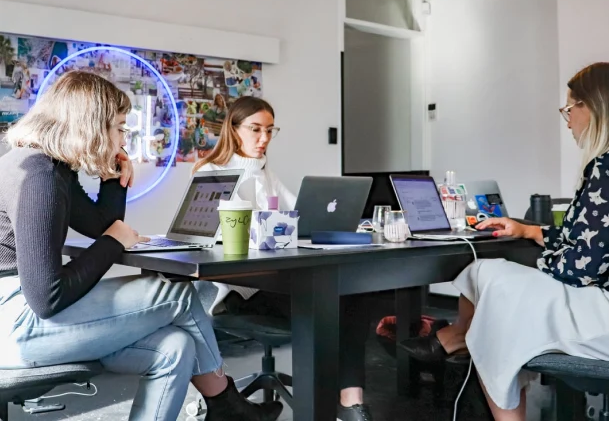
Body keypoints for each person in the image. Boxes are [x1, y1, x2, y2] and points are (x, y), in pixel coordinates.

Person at [0, 71, 283, 421]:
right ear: (92, 125)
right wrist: (111, 242)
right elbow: (46, 297)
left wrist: (113, 179)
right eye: (119, 127)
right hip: (15, 323)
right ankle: (228, 405)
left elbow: (101, 225)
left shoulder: (51, 167)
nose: (123, 137)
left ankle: (227, 409)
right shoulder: (38, 176)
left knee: (174, 347)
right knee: (178, 294)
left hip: (25, 314)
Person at [400, 62, 609, 420]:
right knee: (486, 274)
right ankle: (459, 338)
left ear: (591, 107)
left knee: (494, 285)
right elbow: (586, 237)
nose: (568, 119)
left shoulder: (605, 169)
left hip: (598, 309)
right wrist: (526, 230)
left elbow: (583, 267)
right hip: (594, 297)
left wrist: (535, 265)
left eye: (569, 109)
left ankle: (457, 339)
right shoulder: (600, 167)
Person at [192, 96, 375, 421]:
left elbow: (299, 214)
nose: (264, 139)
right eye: (255, 129)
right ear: (234, 129)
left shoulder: (265, 173)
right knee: (338, 303)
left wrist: (347, 222)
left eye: (270, 131)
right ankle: (341, 402)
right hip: (238, 291)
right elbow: (213, 240)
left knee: (351, 294)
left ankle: (351, 400)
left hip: (277, 282)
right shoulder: (211, 172)